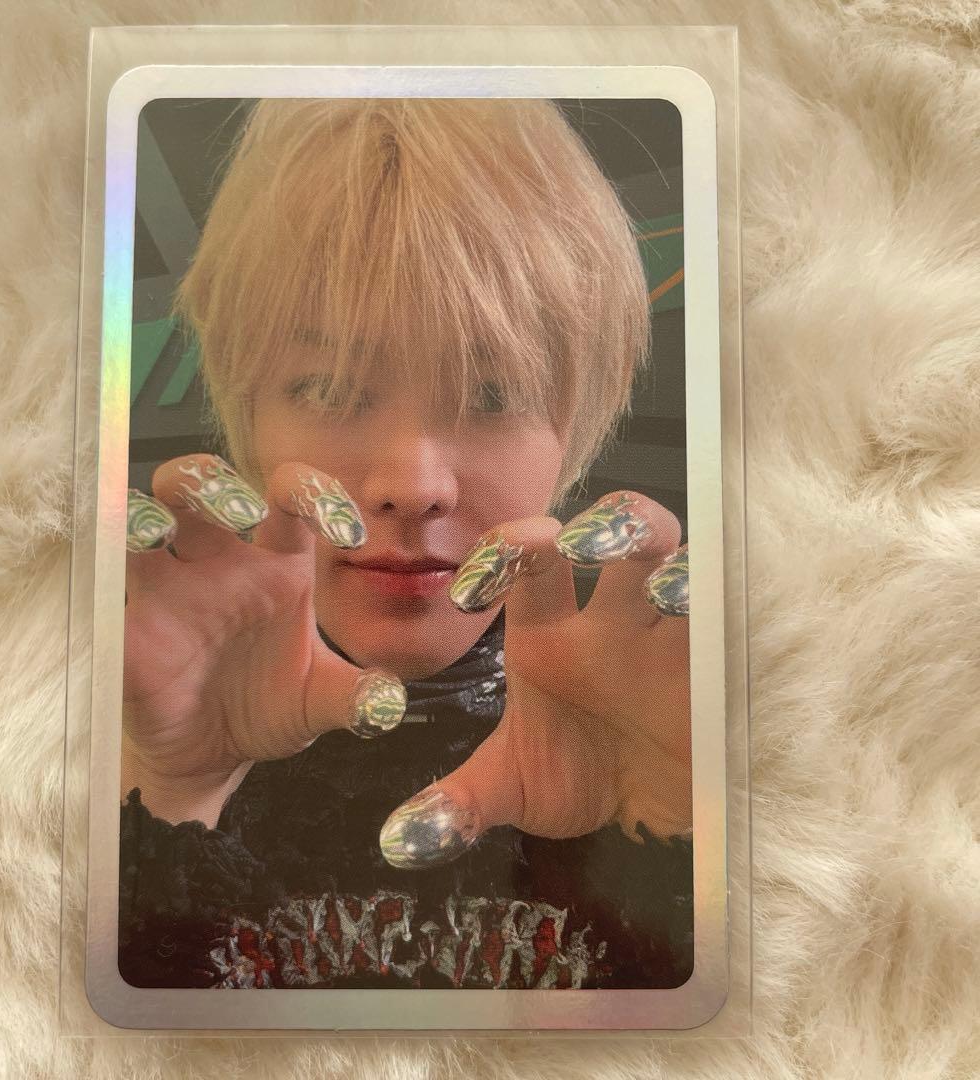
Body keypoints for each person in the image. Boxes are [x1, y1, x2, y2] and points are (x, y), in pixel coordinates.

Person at [119, 97, 693, 990]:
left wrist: (666, 836)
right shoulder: (55, 720)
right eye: (330, 388)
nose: (413, 485)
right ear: (246, 412)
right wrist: (169, 795)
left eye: (493, 394)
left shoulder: (679, 715)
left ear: (575, 427)